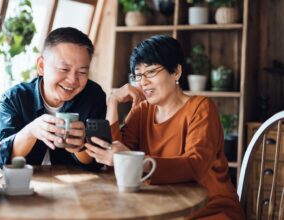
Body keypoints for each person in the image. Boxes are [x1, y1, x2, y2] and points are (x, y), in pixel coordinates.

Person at [85, 35, 245, 219]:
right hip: (163, 208)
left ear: (176, 72)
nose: (143, 82)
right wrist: (112, 101)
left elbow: (194, 166)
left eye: (151, 72)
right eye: (138, 75)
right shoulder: (142, 110)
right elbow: (115, 159)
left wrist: (132, 161)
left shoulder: (201, 108)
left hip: (210, 210)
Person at [0, 27, 106, 170]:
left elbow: (97, 162)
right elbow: (1, 158)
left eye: (82, 72)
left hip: (76, 186)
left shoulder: (93, 96)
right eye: (64, 69)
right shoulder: (14, 98)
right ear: (41, 66)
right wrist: (31, 131)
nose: (72, 80)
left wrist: (81, 147)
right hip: (23, 183)